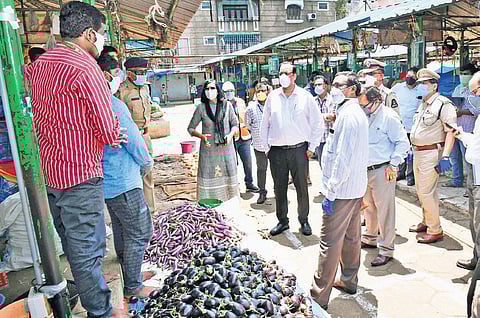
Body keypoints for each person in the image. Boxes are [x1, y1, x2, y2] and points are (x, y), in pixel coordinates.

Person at [24, 2, 123, 316]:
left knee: (71, 244)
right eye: (102, 33)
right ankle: (100, 311)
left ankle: (88, 297)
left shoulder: (38, 65)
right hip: (80, 175)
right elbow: (108, 131)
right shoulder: (84, 66)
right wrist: (114, 129)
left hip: (50, 175)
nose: (102, 39)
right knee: (87, 252)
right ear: (91, 33)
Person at [97, 55, 154, 298]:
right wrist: (146, 162)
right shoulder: (114, 104)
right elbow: (133, 141)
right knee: (140, 231)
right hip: (123, 178)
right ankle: (133, 285)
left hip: (108, 180)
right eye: (116, 72)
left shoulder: (94, 104)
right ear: (108, 75)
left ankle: (130, 272)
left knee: (121, 228)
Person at [310, 74, 369, 310]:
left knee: (329, 241)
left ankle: (318, 295)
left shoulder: (349, 116)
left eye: (337, 85)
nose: (331, 88)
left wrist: (331, 191)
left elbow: (342, 159)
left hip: (343, 189)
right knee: (352, 237)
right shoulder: (349, 113)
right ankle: (349, 280)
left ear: (352, 89)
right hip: (354, 187)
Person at [260, 62, 322, 237]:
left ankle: (304, 220)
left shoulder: (305, 97)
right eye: (281, 73)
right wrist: (267, 148)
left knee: (301, 187)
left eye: (286, 73)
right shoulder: (272, 97)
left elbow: (318, 123)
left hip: (299, 150)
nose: (283, 77)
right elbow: (264, 124)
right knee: (279, 187)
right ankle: (282, 221)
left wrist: (312, 147)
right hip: (277, 151)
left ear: (294, 75)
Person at [359, 86, 409, 266]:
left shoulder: (389, 117)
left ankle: (386, 249)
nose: (364, 108)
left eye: (366, 105)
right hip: (365, 169)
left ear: (377, 100)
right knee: (368, 207)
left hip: (383, 169)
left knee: (385, 210)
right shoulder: (364, 115)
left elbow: (403, 142)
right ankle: (370, 237)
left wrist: (394, 163)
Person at [409, 68, 457, 244]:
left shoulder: (443, 104)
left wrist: (445, 156)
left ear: (434, 85)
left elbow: (451, 131)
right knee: (421, 191)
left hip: (431, 152)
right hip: (418, 152)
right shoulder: (423, 104)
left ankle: (435, 230)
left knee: (426, 192)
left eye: (424, 83)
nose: (420, 86)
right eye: (419, 83)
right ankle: (426, 220)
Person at [118, 57, 163, 213]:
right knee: (132, 175)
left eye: (145, 72)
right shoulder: (121, 91)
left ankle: (151, 211)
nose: (143, 75)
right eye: (139, 72)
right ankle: (137, 211)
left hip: (145, 136)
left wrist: (155, 110)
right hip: (130, 138)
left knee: (148, 174)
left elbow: (148, 106)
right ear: (130, 73)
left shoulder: (145, 88)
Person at [187, 79, 239, 201]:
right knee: (208, 174)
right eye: (207, 89)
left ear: (218, 90)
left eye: (212, 88)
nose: (210, 91)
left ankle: (230, 201)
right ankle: (209, 204)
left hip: (226, 149)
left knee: (229, 175)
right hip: (209, 150)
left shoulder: (227, 106)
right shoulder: (201, 108)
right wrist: (201, 136)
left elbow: (235, 124)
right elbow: (190, 128)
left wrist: (231, 135)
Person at [445, 63, 480, 190]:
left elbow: (477, 110)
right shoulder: (458, 89)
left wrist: (462, 111)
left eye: (466, 74)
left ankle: (471, 187)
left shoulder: (475, 91)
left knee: (469, 160)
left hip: (469, 128)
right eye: (462, 74)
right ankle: (457, 179)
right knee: (454, 157)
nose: (463, 77)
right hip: (456, 127)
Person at [392, 66, 428, 186]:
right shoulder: (398, 88)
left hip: (415, 126)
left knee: (413, 152)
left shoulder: (422, 89)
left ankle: (410, 176)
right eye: (408, 76)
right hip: (399, 124)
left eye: (413, 77)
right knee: (400, 149)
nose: (410, 78)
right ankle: (400, 172)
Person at [223, 81, 259, 193]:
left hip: (244, 137)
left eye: (231, 91)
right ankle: (233, 185)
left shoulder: (241, 102)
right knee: (232, 164)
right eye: (226, 92)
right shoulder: (222, 105)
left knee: (248, 162)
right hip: (230, 139)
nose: (229, 93)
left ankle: (249, 183)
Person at [245, 82, 270, 204]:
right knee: (261, 169)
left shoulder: (273, 106)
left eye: (263, 91)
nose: (261, 93)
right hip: (259, 145)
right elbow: (248, 125)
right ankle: (262, 192)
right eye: (258, 91)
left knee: (278, 170)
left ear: (267, 91)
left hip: (275, 145)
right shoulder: (250, 109)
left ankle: (279, 192)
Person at [313, 75, 335, 167]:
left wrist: (317, 116)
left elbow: (333, 117)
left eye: (319, 84)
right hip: (320, 140)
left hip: (332, 138)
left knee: (332, 165)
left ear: (325, 86)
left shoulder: (332, 100)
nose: (317, 87)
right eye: (315, 85)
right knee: (323, 166)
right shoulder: (313, 101)